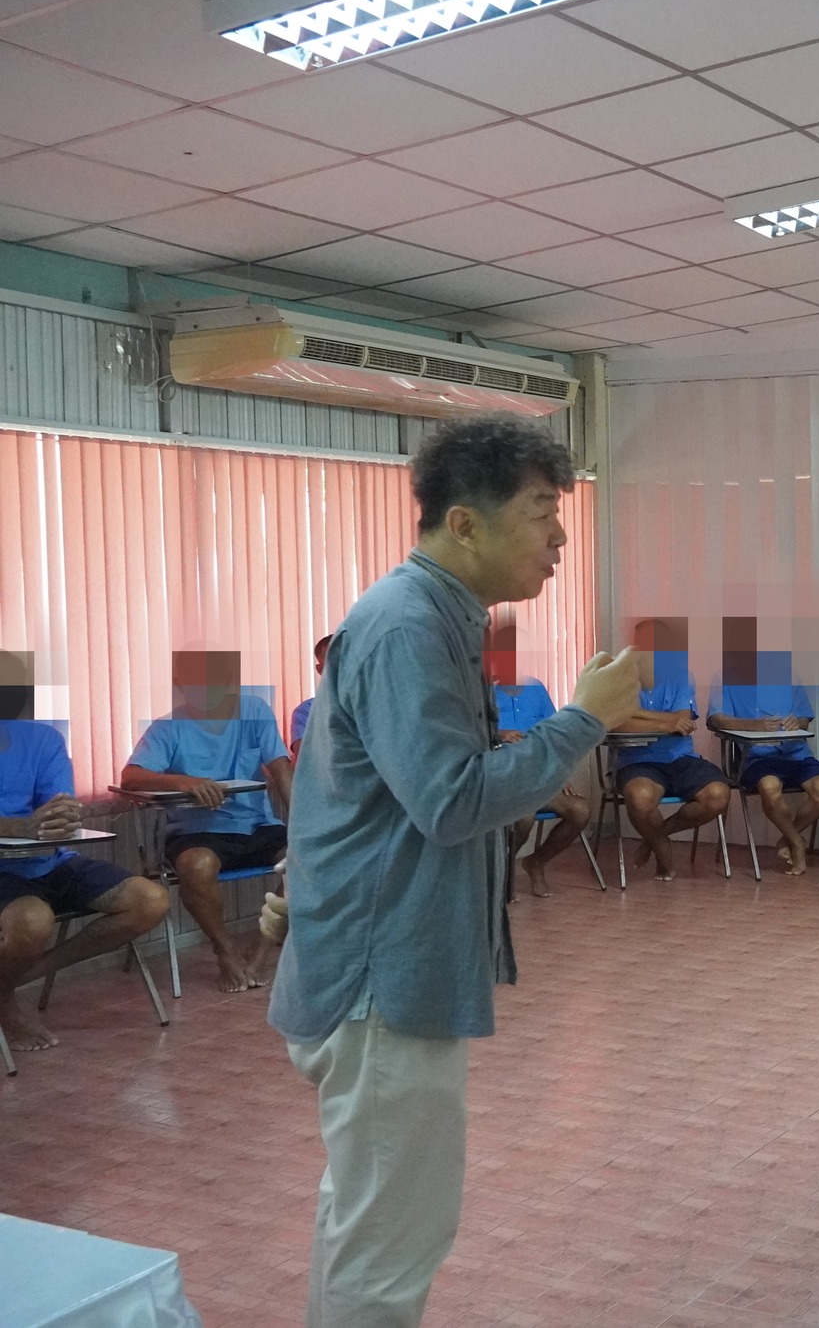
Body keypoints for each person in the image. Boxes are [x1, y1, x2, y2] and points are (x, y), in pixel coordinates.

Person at [268, 417, 641, 1328]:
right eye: (542, 512)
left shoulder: (436, 618)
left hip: (388, 966)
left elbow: (354, 797)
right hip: (381, 983)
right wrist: (583, 720)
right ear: (466, 523)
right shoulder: (406, 625)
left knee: (371, 1222)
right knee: (390, 1241)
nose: (560, 537)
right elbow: (452, 800)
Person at [0, 651, 169, 1053]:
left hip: (51, 860)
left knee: (150, 900)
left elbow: (58, 805)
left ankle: (17, 979)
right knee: (32, 921)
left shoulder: (43, 738)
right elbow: (28, 823)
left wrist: (62, 816)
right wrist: (21, 826)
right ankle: (6, 1006)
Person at [121, 649, 293, 993]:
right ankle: (224, 950)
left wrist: (305, 824)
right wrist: (183, 782)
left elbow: (280, 767)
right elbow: (130, 777)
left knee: (306, 859)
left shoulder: (255, 711)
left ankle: (261, 952)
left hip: (257, 825)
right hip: (197, 832)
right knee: (197, 866)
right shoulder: (167, 728)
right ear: (179, 685)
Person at [706, 616, 819, 876]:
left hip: (796, 755)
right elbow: (716, 719)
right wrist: (754, 726)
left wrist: (795, 721)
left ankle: (787, 839)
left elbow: (804, 719)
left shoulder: (788, 675)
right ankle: (797, 843)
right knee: (770, 788)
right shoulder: (724, 677)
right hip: (756, 758)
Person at [614, 619, 730, 882]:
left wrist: (637, 715)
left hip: (680, 758)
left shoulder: (681, 675)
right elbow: (615, 722)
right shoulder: (619, 678)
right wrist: (664, 722)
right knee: (640, 798)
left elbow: (683, 721)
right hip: (636, 761)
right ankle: (662, 849)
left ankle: (656, 837)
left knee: (718, 795)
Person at [487, 617, 587, 901]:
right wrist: (498, 734)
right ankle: (502, 874)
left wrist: (560, 773)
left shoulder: (536, 688)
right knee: (524, 817)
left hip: (538, 777)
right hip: (501, 777)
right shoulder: (482, 692)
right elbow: (468, 733)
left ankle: (536, 863)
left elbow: (554, 736)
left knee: (579, 810)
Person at [290, 634, 332, 760]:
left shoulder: (375, 703)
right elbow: (307, 758)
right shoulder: (306, 712)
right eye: (333, 664)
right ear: (320, 670)